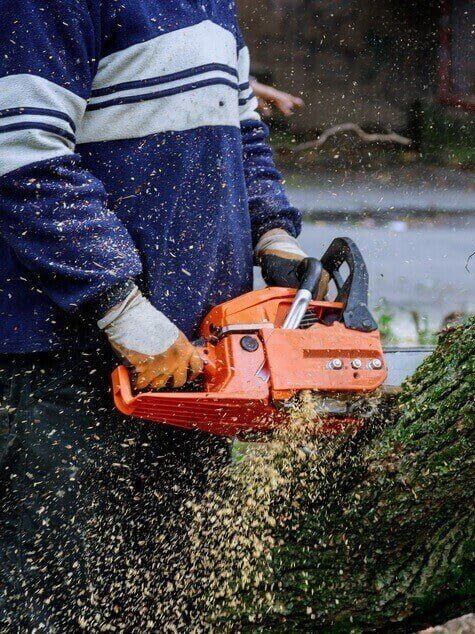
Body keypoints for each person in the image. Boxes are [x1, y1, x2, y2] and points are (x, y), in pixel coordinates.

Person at [0, 1, 327, 628]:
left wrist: (272, 231)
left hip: (189, 362)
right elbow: (22, 147)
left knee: (160, 593)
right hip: (65, 363)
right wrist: (117, 303)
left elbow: (239, 126)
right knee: (50, 598)